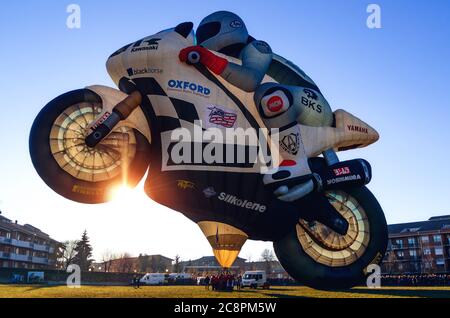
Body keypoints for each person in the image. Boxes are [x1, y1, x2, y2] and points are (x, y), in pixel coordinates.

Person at [179, 11, 334, 202]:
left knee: (268, 94)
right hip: (282, 118)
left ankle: (296, 162)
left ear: (230, 26)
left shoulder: (256, 47)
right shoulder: (230, 64)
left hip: (311, 106)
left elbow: (250, 81)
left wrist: (208, 58)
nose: (203, 38)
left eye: (208, 31)